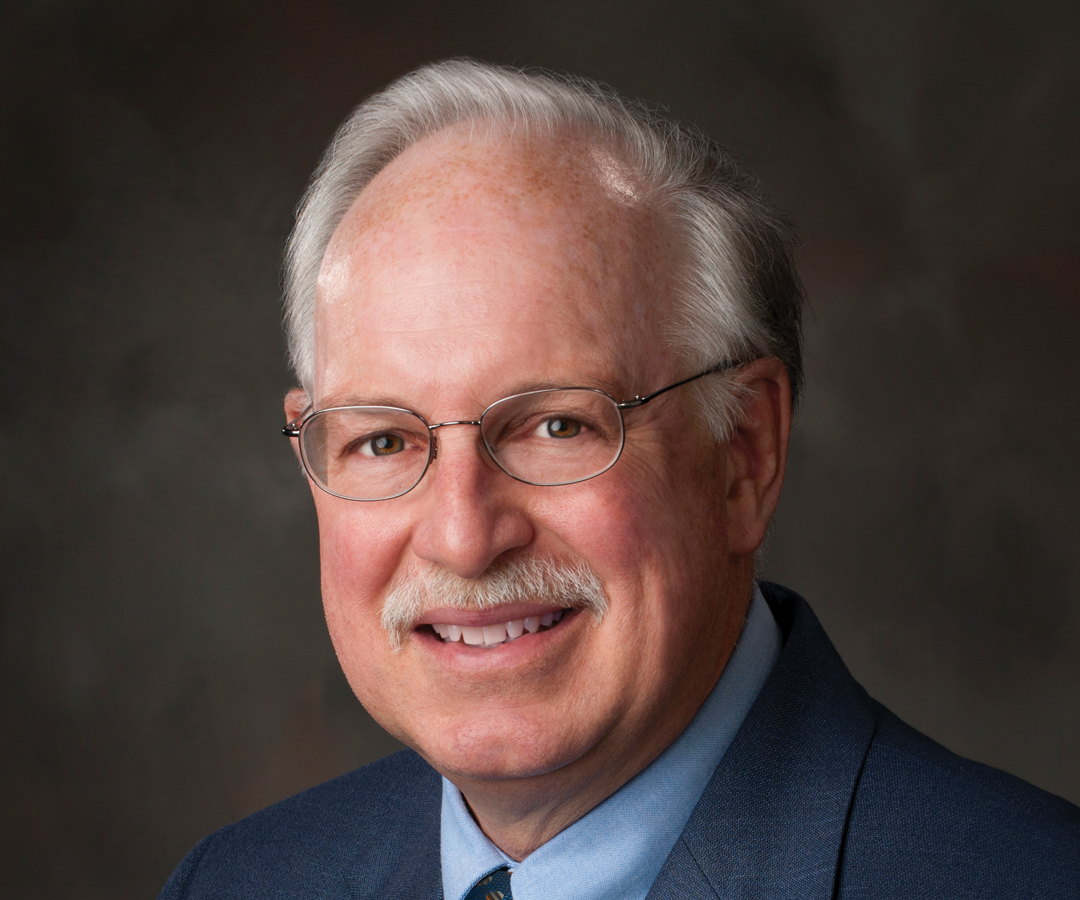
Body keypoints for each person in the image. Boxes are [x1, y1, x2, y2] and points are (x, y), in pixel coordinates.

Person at [160, 59, 1080, 899]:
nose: (461, 536)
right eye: (383, 441)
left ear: (744, 455)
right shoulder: (238, 882)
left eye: (557, 425)